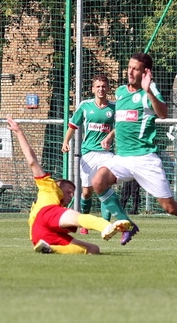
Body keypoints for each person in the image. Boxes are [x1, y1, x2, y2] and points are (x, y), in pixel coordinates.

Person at [91, 52, 177, 246]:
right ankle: (125, 223)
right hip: (123, 158)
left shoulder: (149, 91)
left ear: (145, 72)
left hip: (145, 158)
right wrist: (110, 136)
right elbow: (125, 122)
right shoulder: (120, 92)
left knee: (169, 207)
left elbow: (164, 114)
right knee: (98, 181)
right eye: (129, 67)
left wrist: (149, 91)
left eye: (135, 69)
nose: (130, 72)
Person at [7, 116, 132, 254]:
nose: (71, 195)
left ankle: (49, 248)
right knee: (79, 217)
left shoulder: (57, 206)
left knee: (93, 250)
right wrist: (19, 132)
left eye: (73, 193)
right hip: (45, 215)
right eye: (69, 191)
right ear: (59, 185)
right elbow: (32, 161)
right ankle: (106, 226)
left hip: (39, 237)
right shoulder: (49, 187)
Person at [62, 74, 116, 235]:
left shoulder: (114, 107)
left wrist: (110, 136)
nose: (101, 89)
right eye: (98, 86)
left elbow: (120, 125)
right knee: (87, 191)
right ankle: (85, 222)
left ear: (107, 88)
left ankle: (105, 224)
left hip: (106, 154)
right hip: (88, 153)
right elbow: (73, 125)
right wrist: (66, 142)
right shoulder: (85, 106)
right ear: (93, 89)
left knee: (105, 188)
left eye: (104, 86)